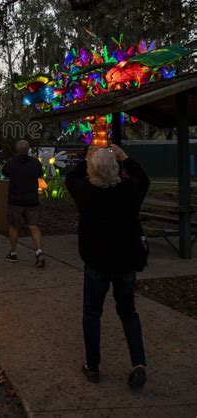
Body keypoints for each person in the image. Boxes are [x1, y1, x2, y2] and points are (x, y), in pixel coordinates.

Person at [65, 144, 150, 389]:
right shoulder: (130, 191)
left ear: (91, 170)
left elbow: (71, 177)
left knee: (92, 313)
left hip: (96, 262)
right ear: (117, 168)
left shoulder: (85, 192)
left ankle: (93, 366)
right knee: (128, 311)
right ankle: (138, 362)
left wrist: (87, 157)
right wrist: (125, 157)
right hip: (125, 263)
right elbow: (142, 177)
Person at [2, 139, 45, 267]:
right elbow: (39, 174)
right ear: (28, 150)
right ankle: (38, 251)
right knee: (33, 226)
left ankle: (13, 252)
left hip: (16, 200)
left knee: (15, 226)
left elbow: (5, 174)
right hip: (32, 199)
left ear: (16, 150)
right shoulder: (35, 163)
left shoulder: (11, 163)